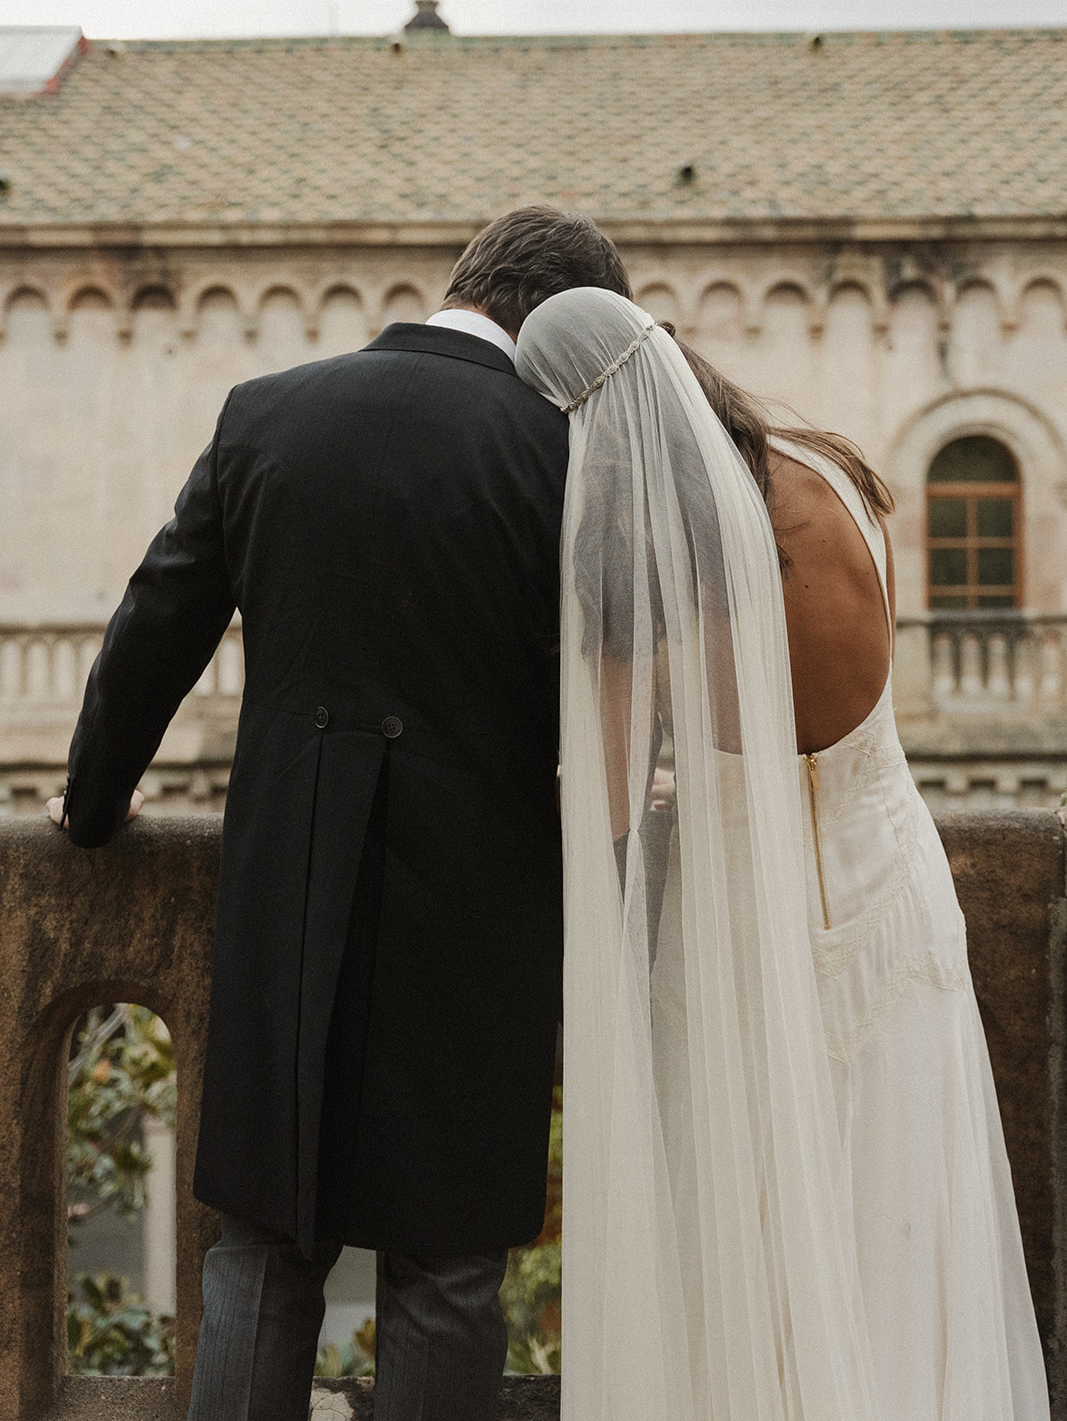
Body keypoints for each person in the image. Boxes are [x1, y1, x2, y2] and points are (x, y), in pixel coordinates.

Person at [48, 209, 631, 1421]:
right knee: (448, 1266)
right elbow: (603, 690)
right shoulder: (562, 453)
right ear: (556, 328)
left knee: (262, 1246)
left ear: (462, 285)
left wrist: (94, 807)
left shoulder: (266, 411)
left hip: (285, 892)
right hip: (478, 914)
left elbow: (153, 631)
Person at [514, 286, 1049, 1421]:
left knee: (758, 1238)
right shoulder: (834, 475)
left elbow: (605, 798)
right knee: (906, 1219)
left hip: (744, 937)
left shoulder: (640, 560)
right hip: (889, 889)